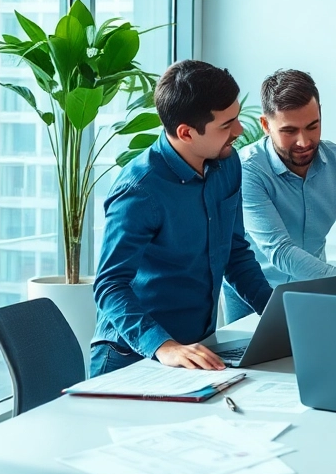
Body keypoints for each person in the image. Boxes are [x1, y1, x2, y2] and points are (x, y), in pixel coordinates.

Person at [91, 60, 272, 377]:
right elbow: (110, 285)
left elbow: (235, 254)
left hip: (199, 351)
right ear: (186, 133)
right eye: (227, 125)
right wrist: (165, 346)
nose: (240, 131)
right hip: (131, 357)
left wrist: (279, 317)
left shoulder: (227, 165)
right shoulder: (139, 190)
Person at [223, 69, 336, 321]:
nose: (304, 141)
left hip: (314, 291)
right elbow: (280, 251)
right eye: (289, 131)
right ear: (266, 125)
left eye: (312, 126)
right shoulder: (247, 169)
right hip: (253, 295)